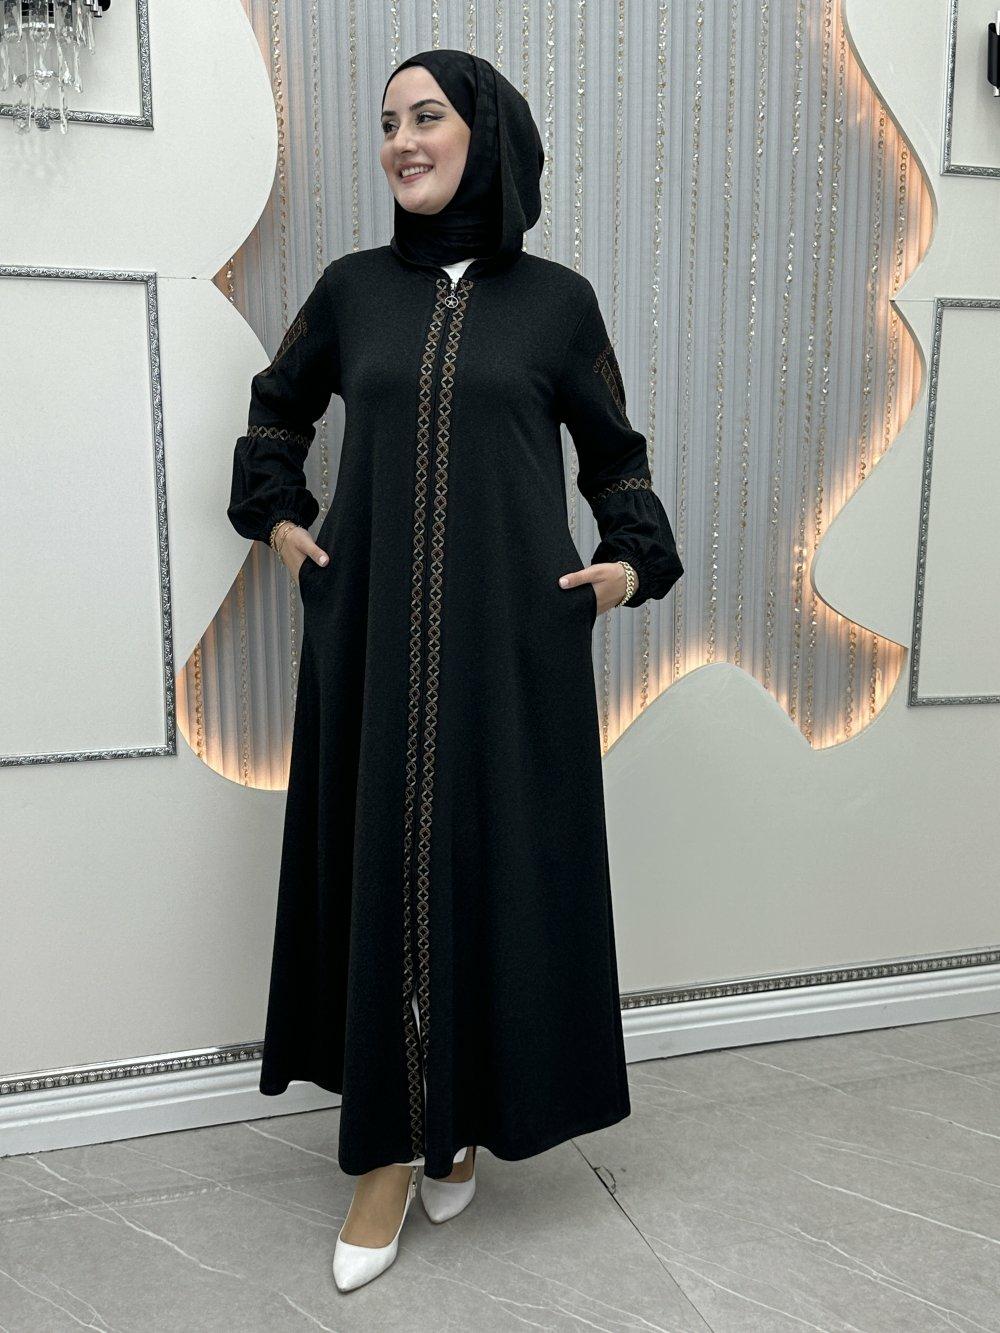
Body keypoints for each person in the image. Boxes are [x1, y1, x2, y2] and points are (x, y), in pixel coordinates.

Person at [227, 48, 683, 1293]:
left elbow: (616, 457)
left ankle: (461, 1119)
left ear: (486, 134)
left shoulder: (558, 304)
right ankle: (386, 1151)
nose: (402, 142)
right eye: (387, 123)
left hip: (514, 641)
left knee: (490, 870)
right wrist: (282, 520)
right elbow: (276, 409)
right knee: (386, 867)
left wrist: (629, 563)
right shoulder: (352, 291)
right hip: (370, 633)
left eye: (425, 116)